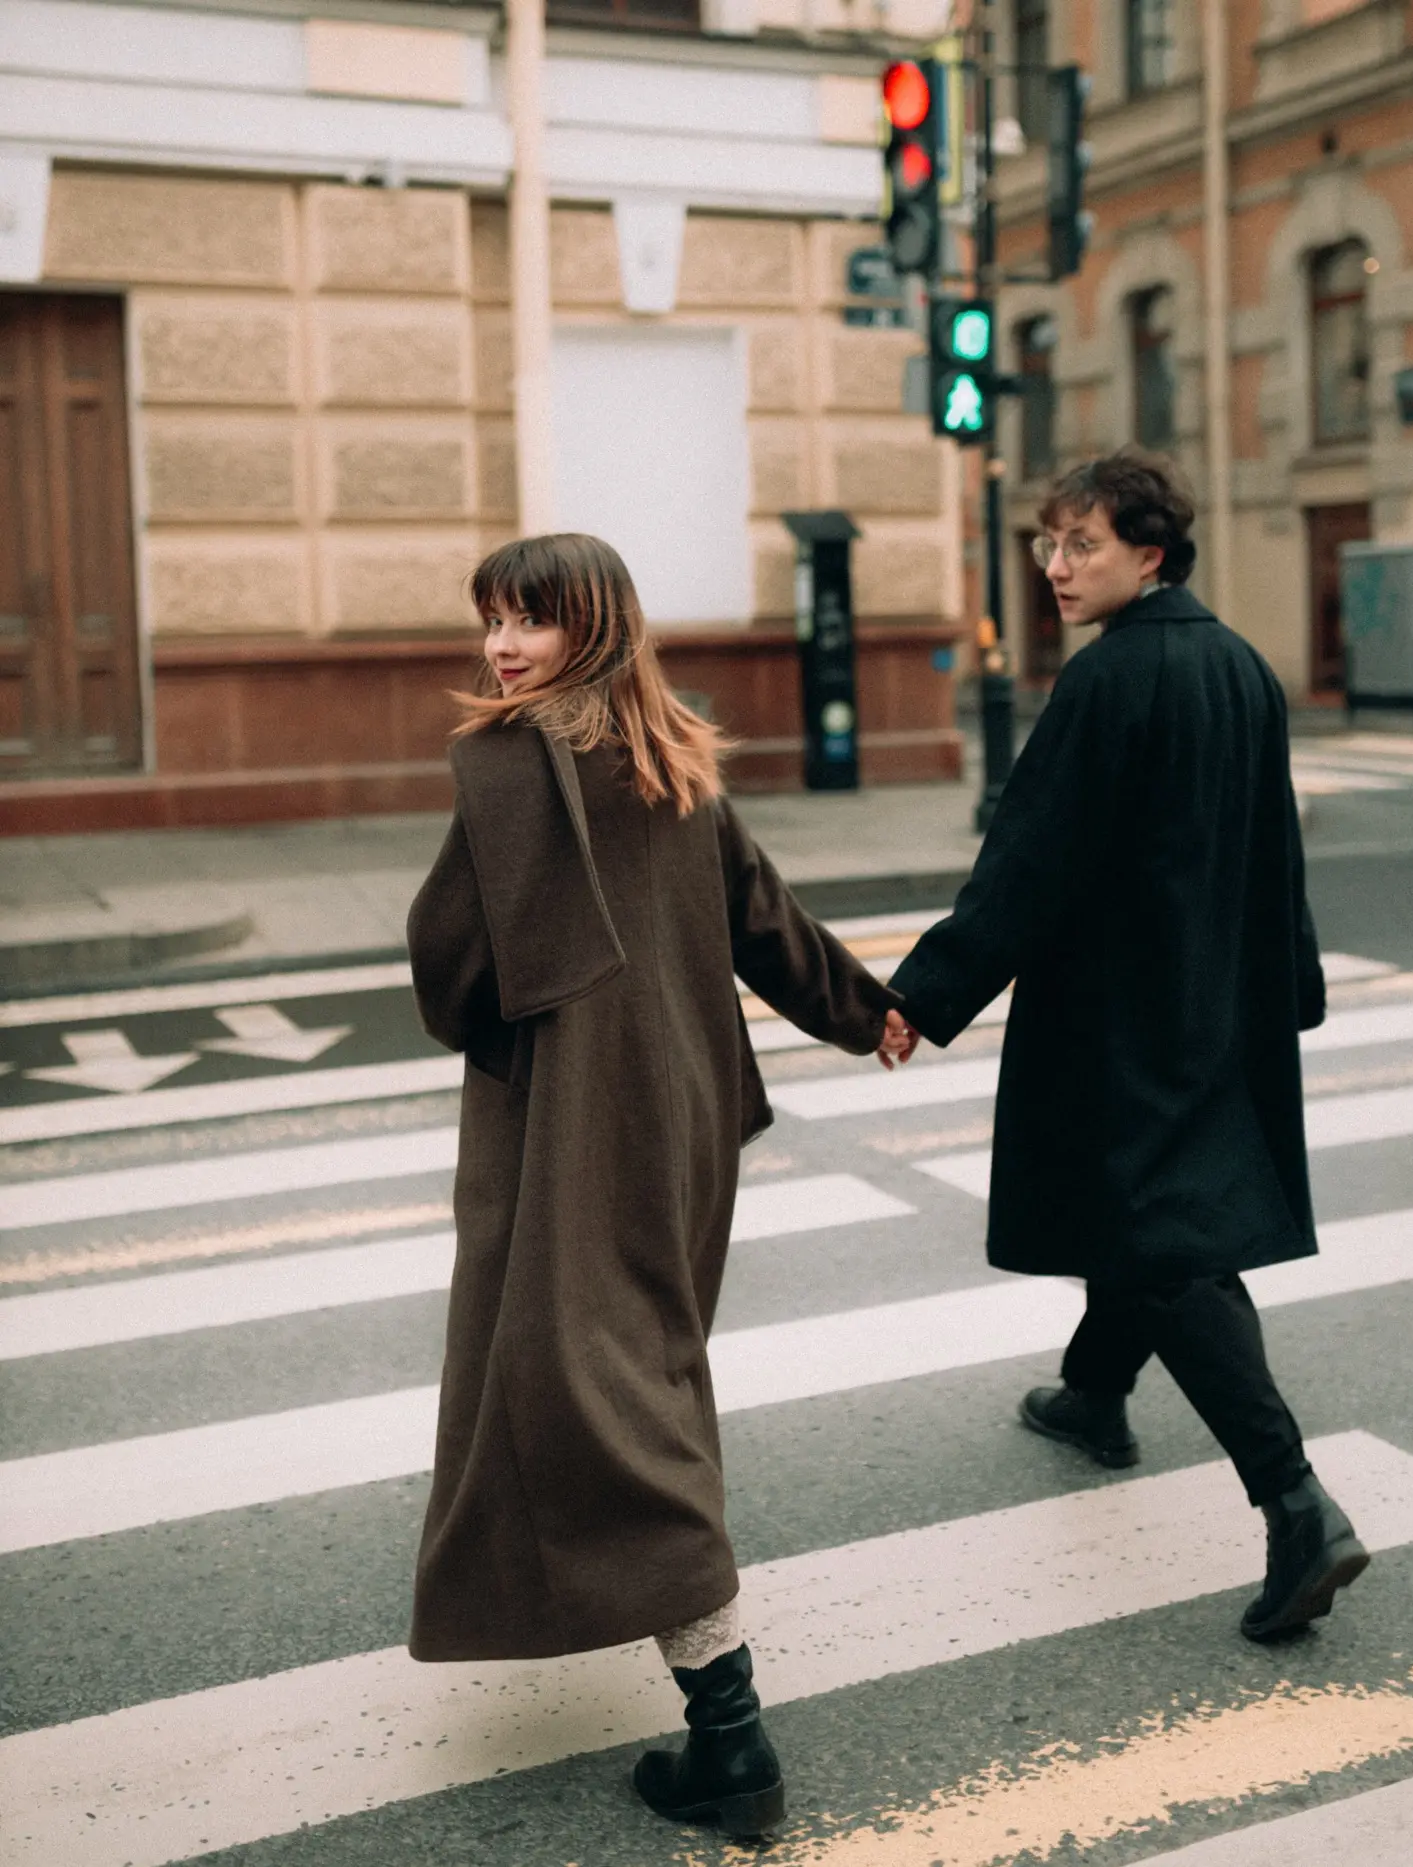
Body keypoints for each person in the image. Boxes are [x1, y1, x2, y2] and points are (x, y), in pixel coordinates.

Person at [404, 532, 913, 1839]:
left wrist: (522, 1011)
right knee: (643, 1361)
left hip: (572, 1127)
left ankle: (731, 1733)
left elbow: (446, 967)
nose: (501, 646)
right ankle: (703, 1705)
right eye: (493, 619)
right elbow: (769, 923)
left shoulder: (514, 767)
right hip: (679, 1118)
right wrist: (869, 1013)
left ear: (592, 626)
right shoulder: (674, 758)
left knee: (603, 1385)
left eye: (529, 619)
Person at [883, 448, 1370, 1644]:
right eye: (1049, 542)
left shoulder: (1106, 682)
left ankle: (1293, 1501)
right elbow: (1276, 850)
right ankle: (1093, 1393)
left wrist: (922, 992)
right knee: (1152, 1208)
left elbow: (1027, 864)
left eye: (1081, 543)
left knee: (1163, 1240)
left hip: (1120, 1017)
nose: (1054, 565)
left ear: (1147, 553)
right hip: (1217, 1003)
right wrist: (1290, 981)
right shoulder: (1241, 669)